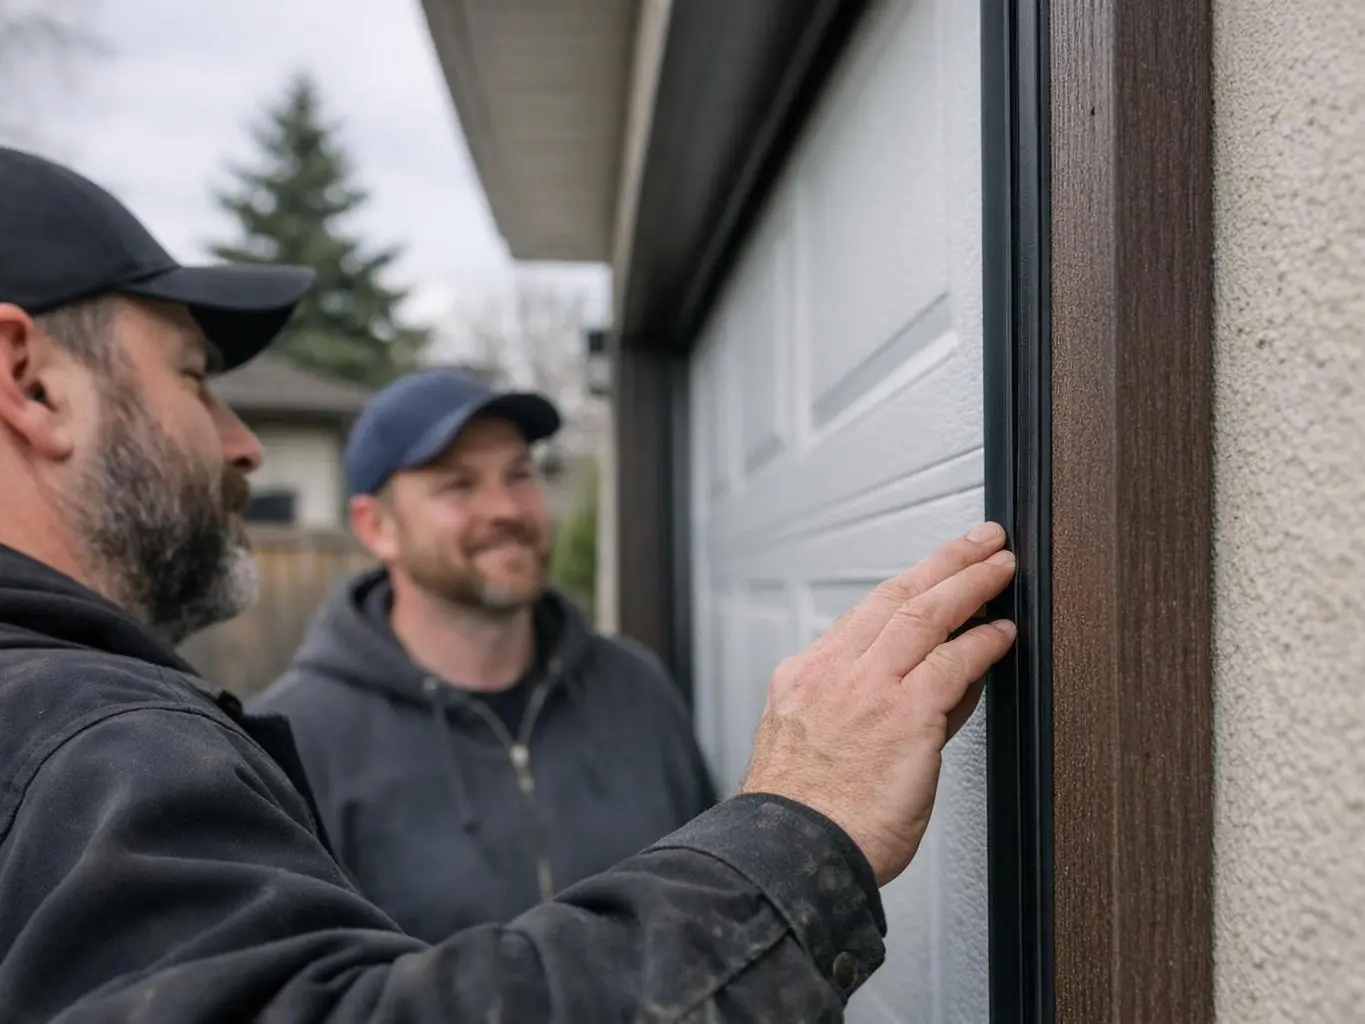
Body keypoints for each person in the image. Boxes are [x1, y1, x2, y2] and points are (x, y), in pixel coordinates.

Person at [0, 143, 1018, 1022]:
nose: (243, 443)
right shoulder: (161, 742)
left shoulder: (634, 686)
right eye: (192, 374)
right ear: (31, 382)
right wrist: (800, 832)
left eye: (520, 473)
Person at [250, 368, 718, 940]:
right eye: (459, 485)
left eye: (519, 474)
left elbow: (713, 902)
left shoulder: (636, 687)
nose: (506, 509)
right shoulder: (293, 742)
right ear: (377, 527)